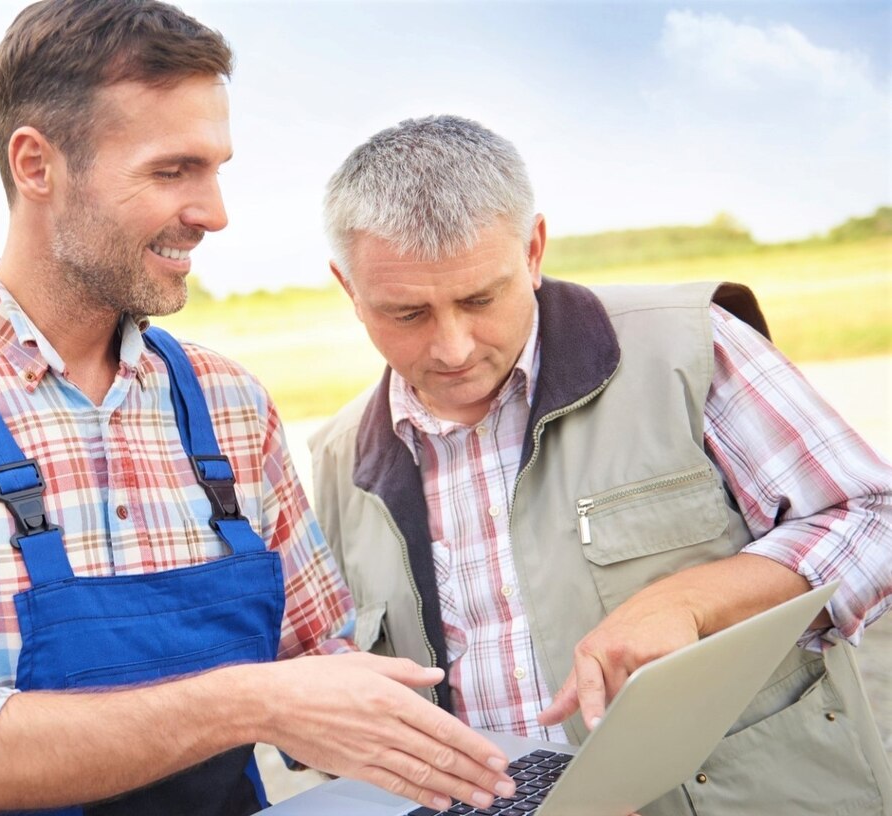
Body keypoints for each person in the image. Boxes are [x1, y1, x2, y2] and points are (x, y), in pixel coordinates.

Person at [0, 5, 517, 815]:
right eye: (173, 172)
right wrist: (251, 702)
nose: (214, 211)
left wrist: (507, 769)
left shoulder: (228, 402)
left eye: (215, 169)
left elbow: (323, 670)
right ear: (37, 165)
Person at [309, 114, 892, 815]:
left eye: (479, 299)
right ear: (349, 289)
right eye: (407, 314)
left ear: (533, 250)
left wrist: (689, 603)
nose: (454, 347)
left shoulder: (687, 344)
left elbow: (874, 517)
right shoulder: (338, 456)